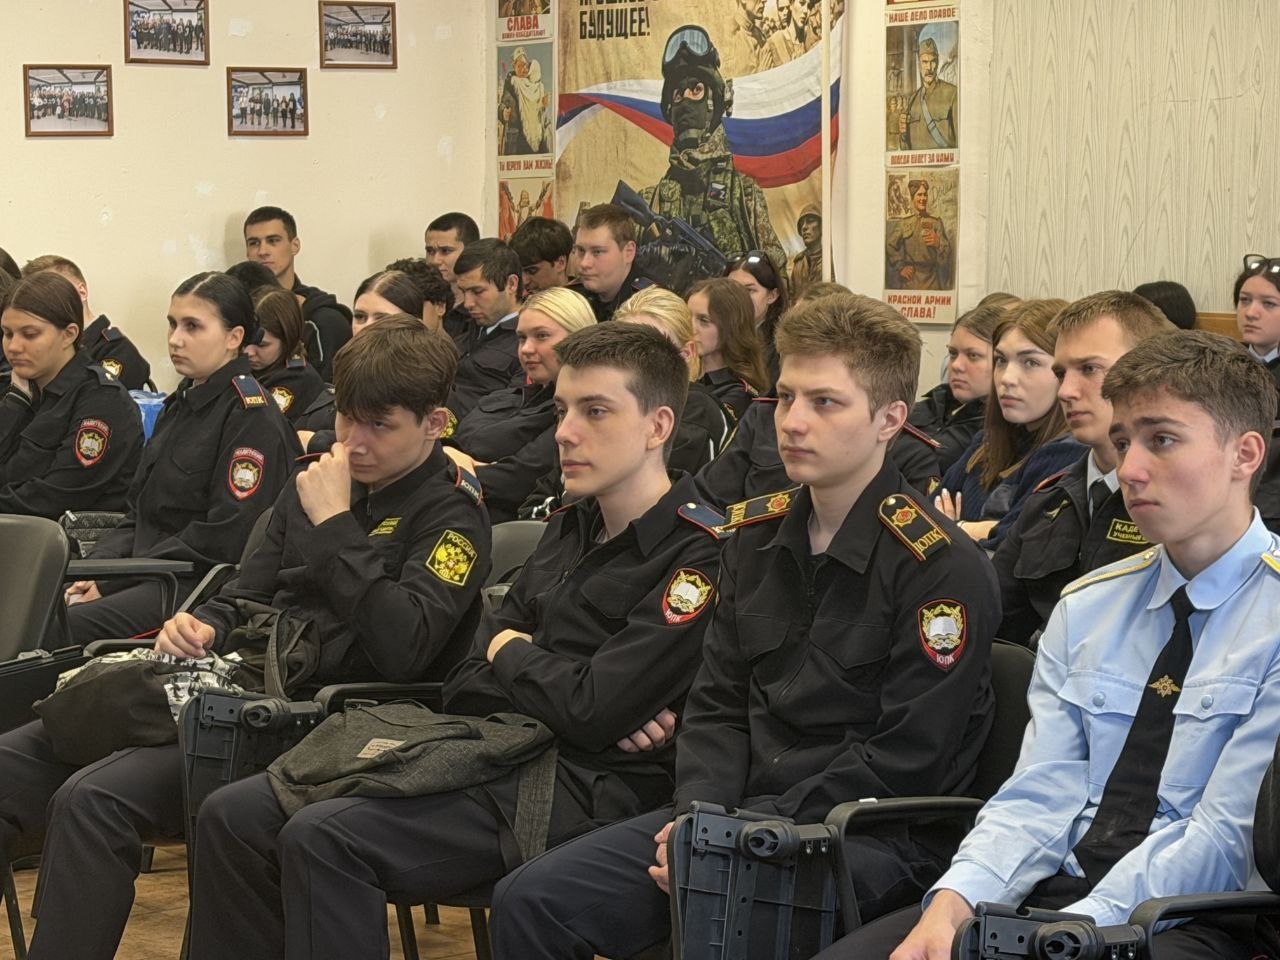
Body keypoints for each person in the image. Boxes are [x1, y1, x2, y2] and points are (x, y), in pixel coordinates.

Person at [186, 322, 725, 960]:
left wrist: (515, 655)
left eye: (595, 411)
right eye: (561, 410)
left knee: (324, 837)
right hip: (491, 748)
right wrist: (549, 680)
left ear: (658, 426)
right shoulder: (569, 526)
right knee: (235, 814)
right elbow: (469, 677)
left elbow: (590, 708)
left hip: (580, 786)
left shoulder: (697, 554)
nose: (564, 432)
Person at [490, 292, 1000, 960]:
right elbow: (717, 705)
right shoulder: (754, 536)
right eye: (786, 398)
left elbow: (906, 757)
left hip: (864, 836)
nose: (793, 422)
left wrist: (740, 835)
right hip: (733, 817)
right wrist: (700, 817)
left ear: (890, 419)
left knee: (720, 911)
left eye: (825, 402)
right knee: (532, 899)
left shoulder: (939, 567)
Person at [0, 315, 490, 960]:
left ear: (434, 423)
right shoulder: (313, 480)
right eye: (347, 419)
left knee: (94, 798)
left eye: (380, 425)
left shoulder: (451, 514)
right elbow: (246, 592)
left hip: (322, 718)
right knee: (11, 761)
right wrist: (204, 622)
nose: (355, 441)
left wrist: (336, 526)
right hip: (238, 683)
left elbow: (404, 649)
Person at [826, 329, 1280, 960]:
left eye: (1162, 440)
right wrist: (953, 903)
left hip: (1192, 917)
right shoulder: (1089, 606)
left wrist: (1068, 935)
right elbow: (1040, 794)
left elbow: (1223, 837)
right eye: (1123, 442)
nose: (1130, 469)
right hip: (1051, 893)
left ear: (1245, 454)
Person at [58, 272, 299, 645]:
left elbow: (227, 537)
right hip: (145, 571)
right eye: (173, 324)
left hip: (198, 589)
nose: (175, 339)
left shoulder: (251, 418)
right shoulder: (181, 404)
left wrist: (112, 580)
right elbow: (139, 515)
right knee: (34, 601)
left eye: (192, 326)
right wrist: (93, 569)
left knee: (58, 626)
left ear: (234, 338)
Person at [993, 291, 1174, 646]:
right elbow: (989, 618)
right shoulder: (1050, 500)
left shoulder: (1180, 502)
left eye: (1089, 369)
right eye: (1061, 373)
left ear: (1149, 374)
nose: (1065, 391)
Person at [640, 25, 786, 283]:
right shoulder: (653, 201)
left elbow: (775, 278)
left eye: (696, 89)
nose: (686, 100)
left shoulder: (743, 194)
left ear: (713, 103)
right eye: (678, 94)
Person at [935, 299, 1084, 548]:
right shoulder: (986, 443)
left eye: (1031, 362)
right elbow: (924, 517)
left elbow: (1011, 543)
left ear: (1063, 372)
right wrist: (974, 530)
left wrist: (955, 527)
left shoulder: (1070, 452)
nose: (1006, 378)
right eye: (1001, 360)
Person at [447, 287, 597, 523]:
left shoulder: (578, 415)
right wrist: (452, 457)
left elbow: (516, 479)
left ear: (578, 338)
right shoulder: (510, 395)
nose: (526, 349)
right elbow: (457, 439)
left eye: (541, 336)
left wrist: (448, 467)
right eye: (521, 338)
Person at [0, 271, 143, 518]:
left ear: (69, 334)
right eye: (7, 333)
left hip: (68, 536)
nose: (13, 347)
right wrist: (14, 405)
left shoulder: (102, 400)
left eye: (30, 334)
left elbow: (56, 497)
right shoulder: (17, 389)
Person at [293, 270, 428, 448]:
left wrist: (319, 441)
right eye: (360, 317)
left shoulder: (425, 390)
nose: (366, 327)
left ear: (414, 324)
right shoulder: (338, 384)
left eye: (381, 318)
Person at [614, 286, 730, 474]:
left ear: (686, 353)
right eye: (622, 347)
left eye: (650, 350)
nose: (634, 360)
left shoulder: (695, 412)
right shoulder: (607, 401)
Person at [243, 206, 352, 381]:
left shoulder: (324, 320)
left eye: (273, 241)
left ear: (295, 245)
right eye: (254, 243)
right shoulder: (238, 312)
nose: (263, 251)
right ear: (247, 252)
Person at [22, 254, 152, 389]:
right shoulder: (39, 347)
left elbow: (101, 399)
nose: (43, 304)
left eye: (52, 293)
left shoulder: (116, 350)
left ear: (82, 292)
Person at [909, 303, 1007, 475]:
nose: (956, 365)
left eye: (973, 355)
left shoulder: (999, 431)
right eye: (953, 353)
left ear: (1002, 361)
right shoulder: (928, 406)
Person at [449, 239, 525, 419]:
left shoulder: (528, 341)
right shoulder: (461, 323)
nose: (467, 303)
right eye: (463, 291)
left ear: (511, 284)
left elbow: (513, 414)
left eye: (477, 292)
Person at [686, 276, 769, 423]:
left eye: (704, 320)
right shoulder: (685, 373)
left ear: (731, 327)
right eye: (687, 317)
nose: (690, 328)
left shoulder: (739, 394)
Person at [245, 285, 324, 422]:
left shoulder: (297, 380)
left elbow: (258, 427)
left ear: (287, 340)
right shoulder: (241, 367)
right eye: (244, 341)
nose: (248, 352)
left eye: (261, 345)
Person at [567, 203, 651, 324]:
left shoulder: (653, 307)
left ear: (628, 252)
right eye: (580, 250)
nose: (584, 263)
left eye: (597, 252)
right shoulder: (573, 297)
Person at [727, 248, 789, 386]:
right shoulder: (714, 334)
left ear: (772, 295)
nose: (739, 297)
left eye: (749, 290)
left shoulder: (782, 344)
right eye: (732, 289)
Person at [886, 178, 954, 291]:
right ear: (913, 197)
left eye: (925, 195)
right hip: (909, 281)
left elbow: (947, 253)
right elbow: (890, 245)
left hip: (932, 280)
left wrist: (938, 243)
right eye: (919, 195)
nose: (923, 198)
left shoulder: (936, 222)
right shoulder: (904, 223)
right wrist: (900, 267)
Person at [425, 211, 481, 344]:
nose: (435, 260)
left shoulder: (481, 308)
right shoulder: (421, 302)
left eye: (445, 251)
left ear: (470, 251)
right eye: (430, 251)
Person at [896, 36, 958, 150]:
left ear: (937, 63)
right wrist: (903, 135)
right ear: (919, 64)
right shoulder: (912, 100)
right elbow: (906, 149)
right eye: (924, 62)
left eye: (932, 61)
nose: (929, 67)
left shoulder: (952, 94)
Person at [509, 215, 573, 295]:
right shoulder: (521, 299)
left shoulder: (583, 301)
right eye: (519, 272)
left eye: (532, 271)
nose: (524, 281)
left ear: (560, 263)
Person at [788, 203, 825, 300]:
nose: (804, 227)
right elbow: (791, 295)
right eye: (802, 224)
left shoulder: (831, 259)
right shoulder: (799, 262)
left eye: (810, 221)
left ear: (821, 226)